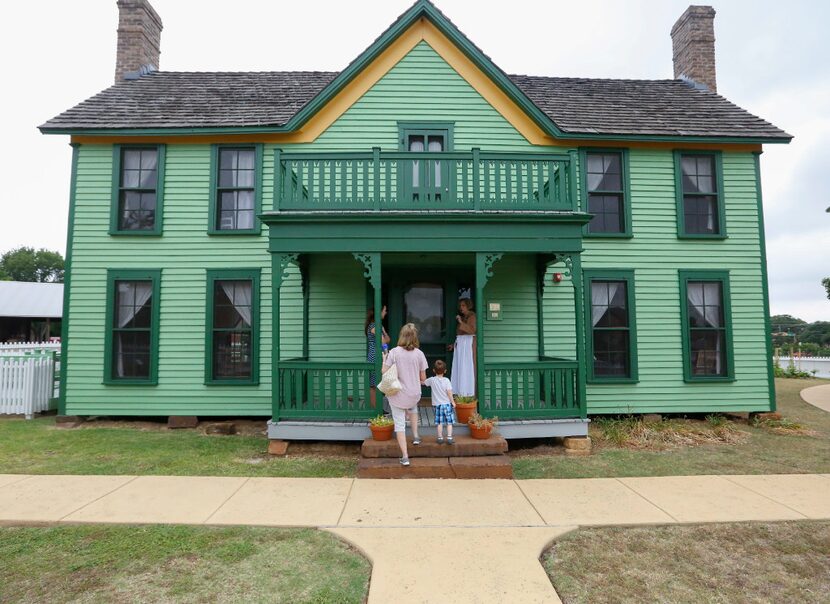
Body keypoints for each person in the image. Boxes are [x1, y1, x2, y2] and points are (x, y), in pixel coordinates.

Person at [382, 322, 427, 466]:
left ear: (402, 336)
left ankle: (405, 457)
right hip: (414, 394)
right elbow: (423, 379)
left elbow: (384, 371)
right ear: (415, 337)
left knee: (400, 424)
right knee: (413, 408)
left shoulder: (394, 352)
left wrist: (384, 359)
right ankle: (415, 436)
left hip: (398, 394)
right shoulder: (419, 354)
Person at [423, 359, 456, 444]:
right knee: (449, 422)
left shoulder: (432, 380)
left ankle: (440, 438)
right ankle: (449, 437)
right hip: (447, 404)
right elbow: (449, 392)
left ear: (434, 370)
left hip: (438, 405)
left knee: (439, 423)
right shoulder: (447, 381)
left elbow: (424, 383)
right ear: (445, 371)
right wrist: (452, 401)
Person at [449, 298, 476, 396]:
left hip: (467, 347)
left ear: (468, 306)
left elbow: (472, 330)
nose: (461, 308)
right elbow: (461, 335)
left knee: (467, 368)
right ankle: (460, 392)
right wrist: (454, 345)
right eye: (460, 306)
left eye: (463, 305)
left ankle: (467, 393)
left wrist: (460, 322)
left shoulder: (472, 316)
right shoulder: (464, 317)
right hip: (461, 346)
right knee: (460, 368)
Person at [365, 306, 390, 408]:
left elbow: (387, 339)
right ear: (378, 313)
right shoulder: (374, 326)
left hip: (377, 355)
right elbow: (384, 341)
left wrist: (383, 331)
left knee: (377, 382)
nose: (386, 312)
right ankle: (375, 409)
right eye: (384, 311)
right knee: (373, 385)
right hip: (375, 356)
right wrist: (383, 331)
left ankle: (377, 408)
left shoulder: (377, 326)